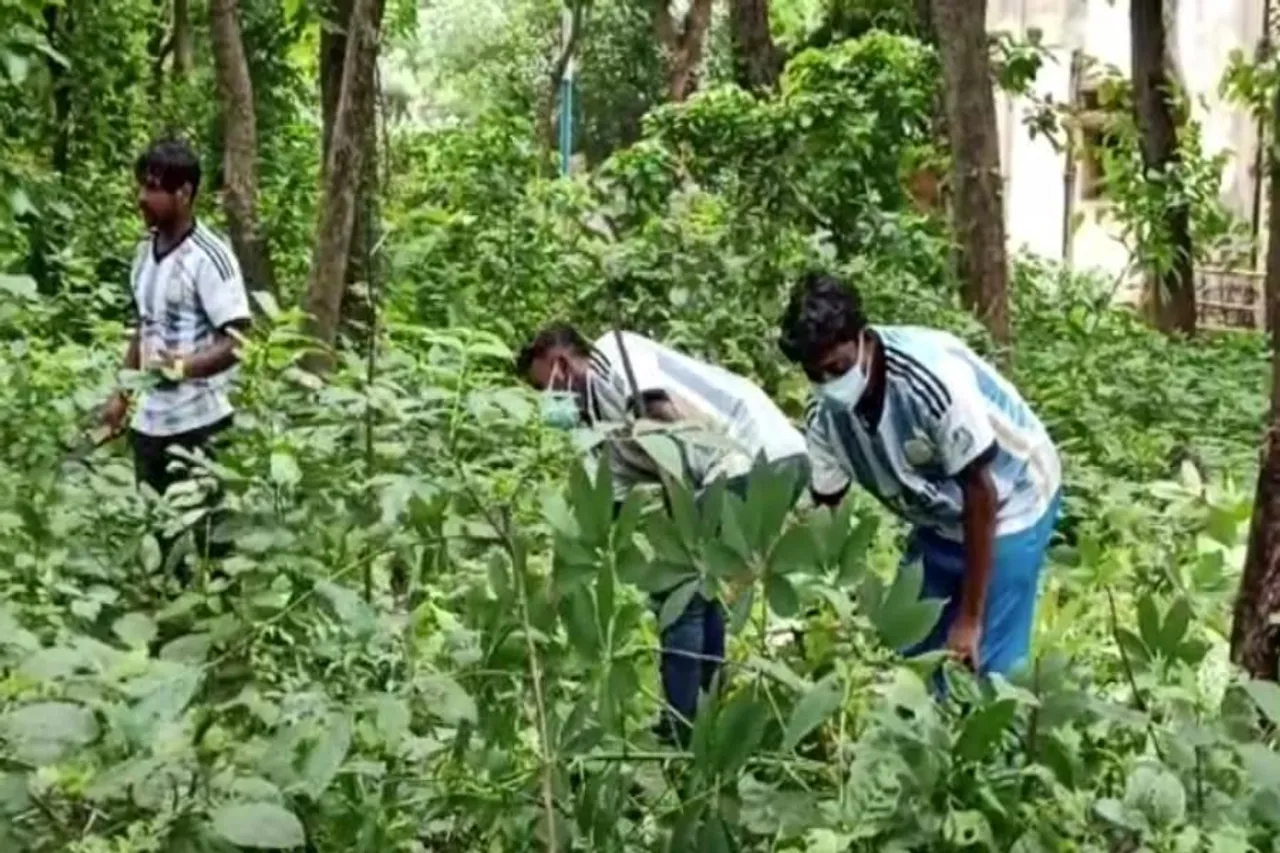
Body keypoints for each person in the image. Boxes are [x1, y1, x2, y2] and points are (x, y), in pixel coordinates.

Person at [516, 324, 809, 744]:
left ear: (559, 364)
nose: (546, 401)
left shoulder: (613, 353)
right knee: (699, 590)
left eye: (543, 386)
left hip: (751, 452)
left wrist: (682, 515)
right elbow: (607, 513)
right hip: (763, 464)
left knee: (681, 594)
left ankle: (681, 733)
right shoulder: (603, 433)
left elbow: (661, 415)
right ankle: (704, 722)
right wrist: (558, 583)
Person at [777, 272, 1061, 677]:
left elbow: (983, 492)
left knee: (989, 669)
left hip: (1012, 494)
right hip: (936, 511)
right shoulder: (825, 419)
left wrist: (970, 621)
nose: (828, 383)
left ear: (863, 340)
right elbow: (827, 515)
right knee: (910, 659)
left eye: (836, 368)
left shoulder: (930, 383)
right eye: (815, 374)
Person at [100, 138, 252, 579]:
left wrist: (183, 367)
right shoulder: (143, 253)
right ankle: (166, 630)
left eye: (153, 188)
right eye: (142, 186)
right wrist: (121, 398)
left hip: (199, 429)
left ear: (184, 193)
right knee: (161, 540)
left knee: (211, 542)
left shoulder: (210, 257)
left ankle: (224, 639)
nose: (142, 198)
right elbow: (143, 330)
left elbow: (238, 340)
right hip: (150, 428)